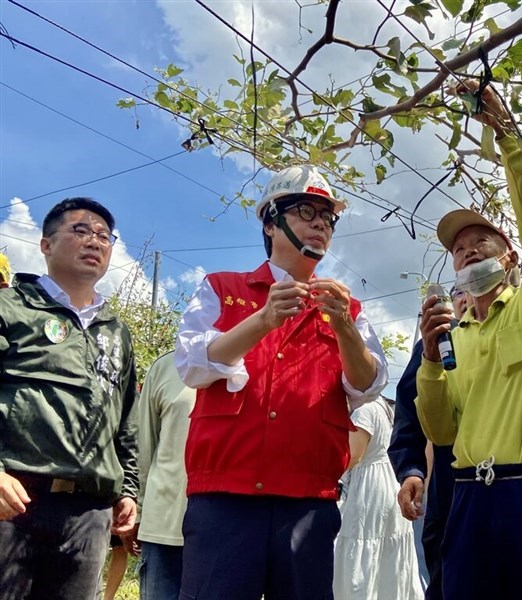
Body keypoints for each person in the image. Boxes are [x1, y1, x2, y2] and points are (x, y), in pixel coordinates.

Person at [175, 165, 388, 599]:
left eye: (328, 218)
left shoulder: (347, 307)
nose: (319, 225)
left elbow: (367, 386)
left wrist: (344, 325)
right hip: (224, 495)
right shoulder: (222, 287)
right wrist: (263, 320)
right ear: (270, 223)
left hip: (308, 499)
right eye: (306, 212)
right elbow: (191, 363)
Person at [416, 82, 522, 599]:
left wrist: (508, 137)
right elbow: (441, 430)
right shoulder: (455, 337)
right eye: (459, 248)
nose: (468, 251)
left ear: (509, 255)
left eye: (480, 241)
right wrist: (429, 360)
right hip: (469, 499)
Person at [0, 197, 138, 599]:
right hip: (14, 499)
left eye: (103, 236)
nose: (94, 241)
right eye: (80, 231)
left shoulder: (116, 332)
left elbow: (124, 418)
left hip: (88, 514)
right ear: (45, 244)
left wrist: (127, 489)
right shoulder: (12, 308)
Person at [388, 287, 470, 600]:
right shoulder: (438, 345)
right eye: (458, 292)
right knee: (447, 578)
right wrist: (411, 470)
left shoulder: (515, 333)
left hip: (513, 485)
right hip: (451, 489)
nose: (465, 298)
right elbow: (408, 413)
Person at [121, 351, 195, 599]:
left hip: (226, 530)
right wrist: (137, 511)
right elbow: (143, 446)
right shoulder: (166, 366)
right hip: (164, 524)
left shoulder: (249, 365)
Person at [334, 396, 424, 599]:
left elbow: (354, 455)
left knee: (361, 548)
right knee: (386, 555)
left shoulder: (363, 410)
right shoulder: (383, 407)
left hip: (369, 486)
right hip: (389, 481)